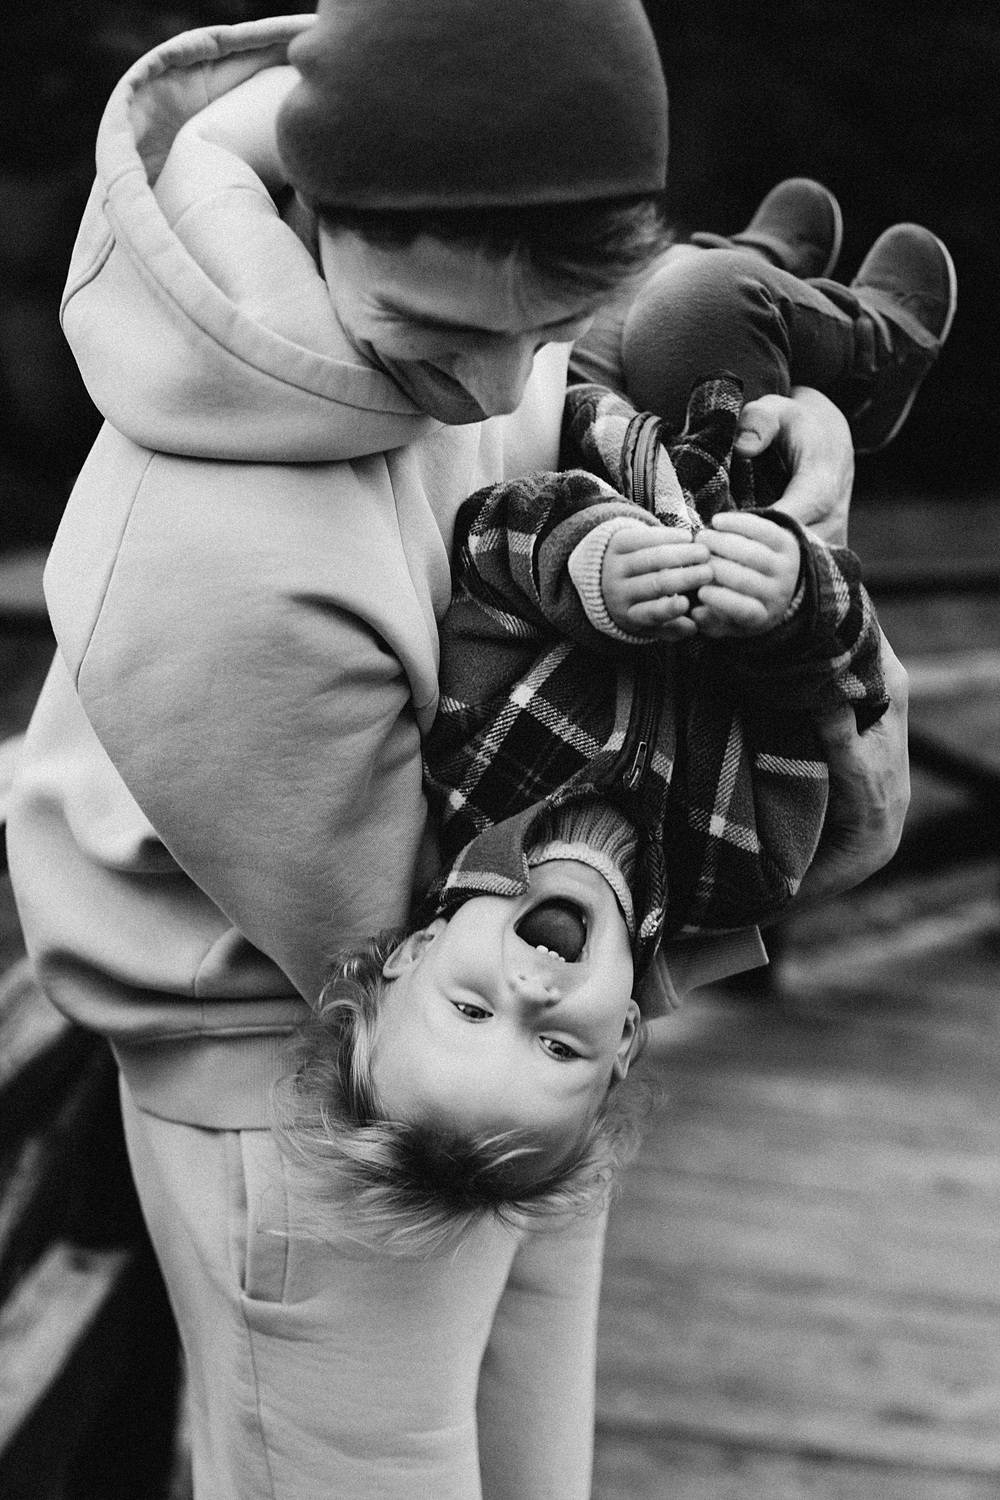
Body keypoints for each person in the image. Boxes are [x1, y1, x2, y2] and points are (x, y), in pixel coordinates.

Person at [5, 6, 910, 1498]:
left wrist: (770, 450)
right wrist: (783, 688)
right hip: (323, 1081)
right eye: (432, 334)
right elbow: (425, 941)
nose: (495, 389)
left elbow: (578, 405)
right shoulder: (223, 562)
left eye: (538, 332)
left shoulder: (449, 304)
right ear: (316, 206)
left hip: (535, 1050)